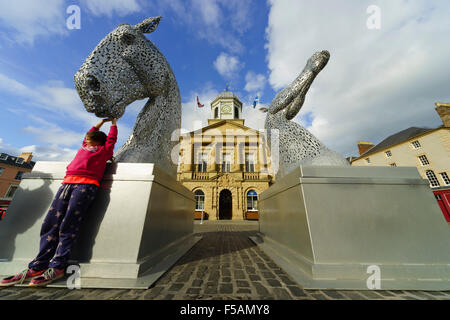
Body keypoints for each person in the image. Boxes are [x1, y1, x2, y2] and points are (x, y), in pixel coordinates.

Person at [0, 118, 118, 287]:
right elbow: (88, 134)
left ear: (97, 141)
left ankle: (58, 266)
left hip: (85, 186)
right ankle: (38, 266)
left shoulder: (104, 150)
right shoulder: (84, 147)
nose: (87, 141)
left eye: (90, 139)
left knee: (68, 224)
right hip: (67, 184)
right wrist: (102, 122)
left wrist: (113, 123)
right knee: (50, 223)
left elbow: (111, 139)